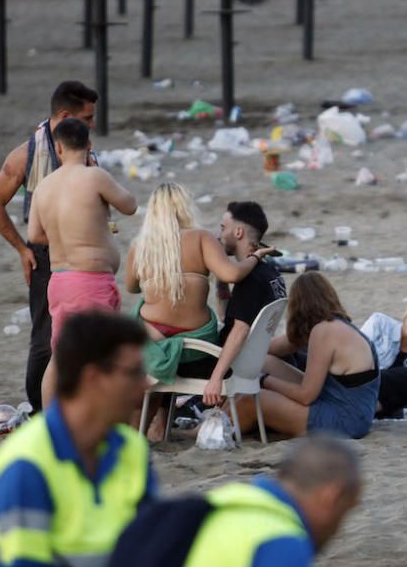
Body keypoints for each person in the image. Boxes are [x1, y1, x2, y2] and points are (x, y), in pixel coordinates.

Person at [0, 312, 156, 567]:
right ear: (93, 378)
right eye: (134, 373)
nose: (145, 385)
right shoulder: (27, 467)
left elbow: (151, 553)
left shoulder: (131, 448)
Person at [88, 437, 361, 567]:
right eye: (345, 512)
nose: (339, 529)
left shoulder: (225, 504)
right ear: (331, 497)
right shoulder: (281, 541)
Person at [0, 80, 99, 412]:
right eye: (88, 117)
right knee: (45, 341)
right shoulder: (25, 155)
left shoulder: (84, 148)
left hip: (83, 255)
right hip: (46, 256)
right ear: (65, 115)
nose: (93, 125)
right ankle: (40, 411)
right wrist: (22, 250)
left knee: (86, 333)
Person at [126, 185, 272, 435]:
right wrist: (256, 257)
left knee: (138, 318)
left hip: (152, 347)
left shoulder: (140, 247)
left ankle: (139, 433)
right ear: (184, 206)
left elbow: (131, 287)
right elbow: (232, 274)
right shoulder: (200, 237)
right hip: (194, 352)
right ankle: (154, 428)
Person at [28, 118, 138, 405]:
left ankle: (51, 420)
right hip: (90, 281)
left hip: (60, 281)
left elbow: (34, 234)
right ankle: (103, 419)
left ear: (59, 149)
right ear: (89, 145)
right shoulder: (94, 177)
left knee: (60, 356)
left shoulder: (44, 187)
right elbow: (130, 205)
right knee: (105, 355)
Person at [222, 272, 379, 440]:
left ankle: (212, 430)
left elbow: (306, 396)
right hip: (348, 409)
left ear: (298, 306)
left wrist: (263, 380)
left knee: (252, 400)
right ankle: (219, 417)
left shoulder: (324, 332)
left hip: (345, 421)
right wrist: (240, 348)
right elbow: (267, 350)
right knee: (266, 362)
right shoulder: (336, 325)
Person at [199, 201, 287, 399]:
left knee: (164, 361)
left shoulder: (251, 280)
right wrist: (223, 276)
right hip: (250, 362)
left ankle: (159, 425)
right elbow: (226, 317)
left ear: (238, 232)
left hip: (227, 363)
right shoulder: (271, 274)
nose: (219, 235)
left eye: (223, 228)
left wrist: (216, 378)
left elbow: (240, 330)